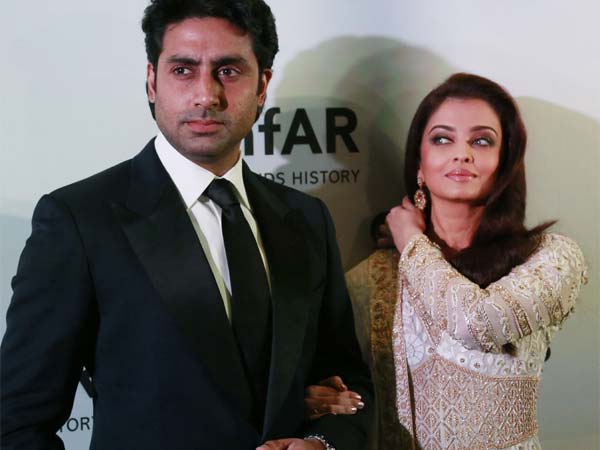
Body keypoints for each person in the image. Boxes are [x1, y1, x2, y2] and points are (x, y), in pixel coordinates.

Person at [0, 1, 374, 449]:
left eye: (228, 71)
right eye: (183, 70)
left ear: (262, 86)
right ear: (152, 81)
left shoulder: (307, 218)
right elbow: (16, 422)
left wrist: (322, 443)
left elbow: (347, 382)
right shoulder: (80, 220)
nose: (206, 96)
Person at [304, 73, 587, 449]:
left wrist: (411, 241)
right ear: (419, 164)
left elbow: (476, 323)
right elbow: (340, 389)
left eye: (481, 140)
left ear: (504, 162)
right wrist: (316, 400)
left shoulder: (550, 258)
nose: (462, 153)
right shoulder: (372, 278)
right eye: (442, 138)